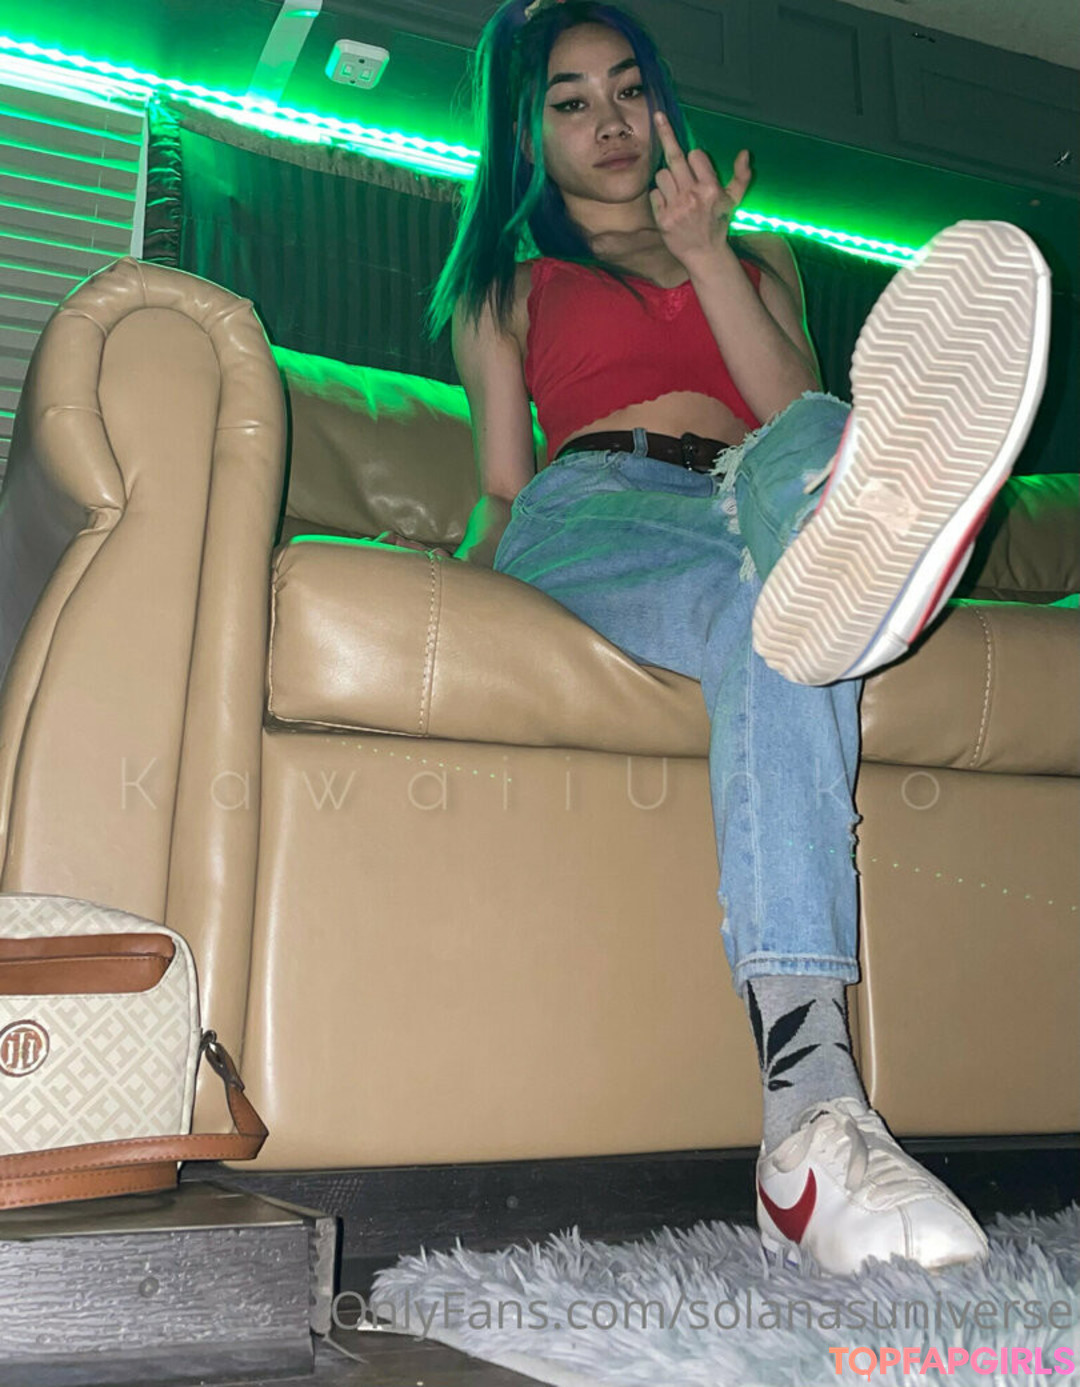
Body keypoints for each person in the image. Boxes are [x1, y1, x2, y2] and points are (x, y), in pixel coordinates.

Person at [417, 0, 1051, 1277]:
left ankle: (870, 546)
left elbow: (783, 403)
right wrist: (453, 598)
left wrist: (708, 254)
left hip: (763, 491)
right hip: (600, 509)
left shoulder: (759, 259)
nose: (609, 119)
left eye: (628, 88)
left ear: (663, 103)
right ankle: (816, 1113)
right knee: (788, 597)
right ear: (529, 137)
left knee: (806, 464)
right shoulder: (505, 281)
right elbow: (500, 485)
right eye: (570, 101)